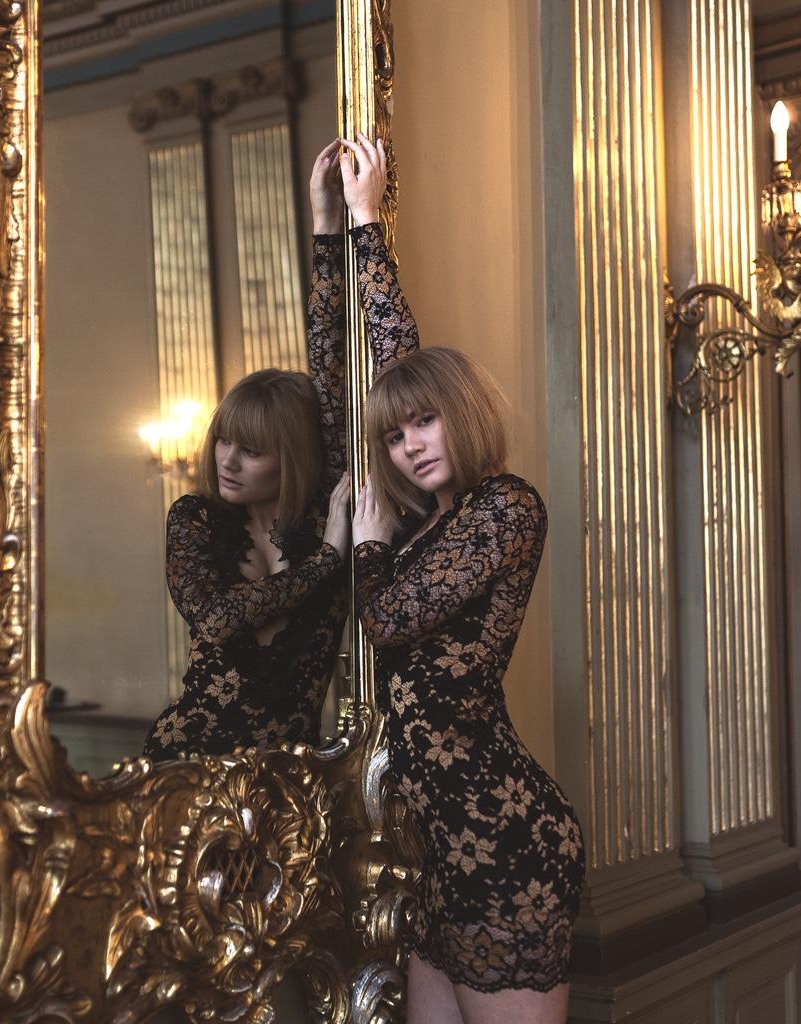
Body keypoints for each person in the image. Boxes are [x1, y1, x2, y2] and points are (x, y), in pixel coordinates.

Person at [342, 133, 585, 1024]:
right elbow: (393, 358)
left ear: (462, 414)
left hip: (506, 842)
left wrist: (366, 547)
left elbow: (387, 618)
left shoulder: (504, 508)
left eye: (425, 424)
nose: (409, 445)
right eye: (394, 435)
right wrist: (360, 222)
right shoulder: (428, 526)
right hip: (438, 850)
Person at [143, 141, 355, 760]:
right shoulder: (195, 519)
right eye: (224, 441)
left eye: (253, 450)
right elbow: (215, 620)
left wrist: (327, 223)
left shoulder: (319, 512)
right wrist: (325, 562)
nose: (226, 461)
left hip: (288, 783)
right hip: (187, 764)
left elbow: (331, 355)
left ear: (294, 459)